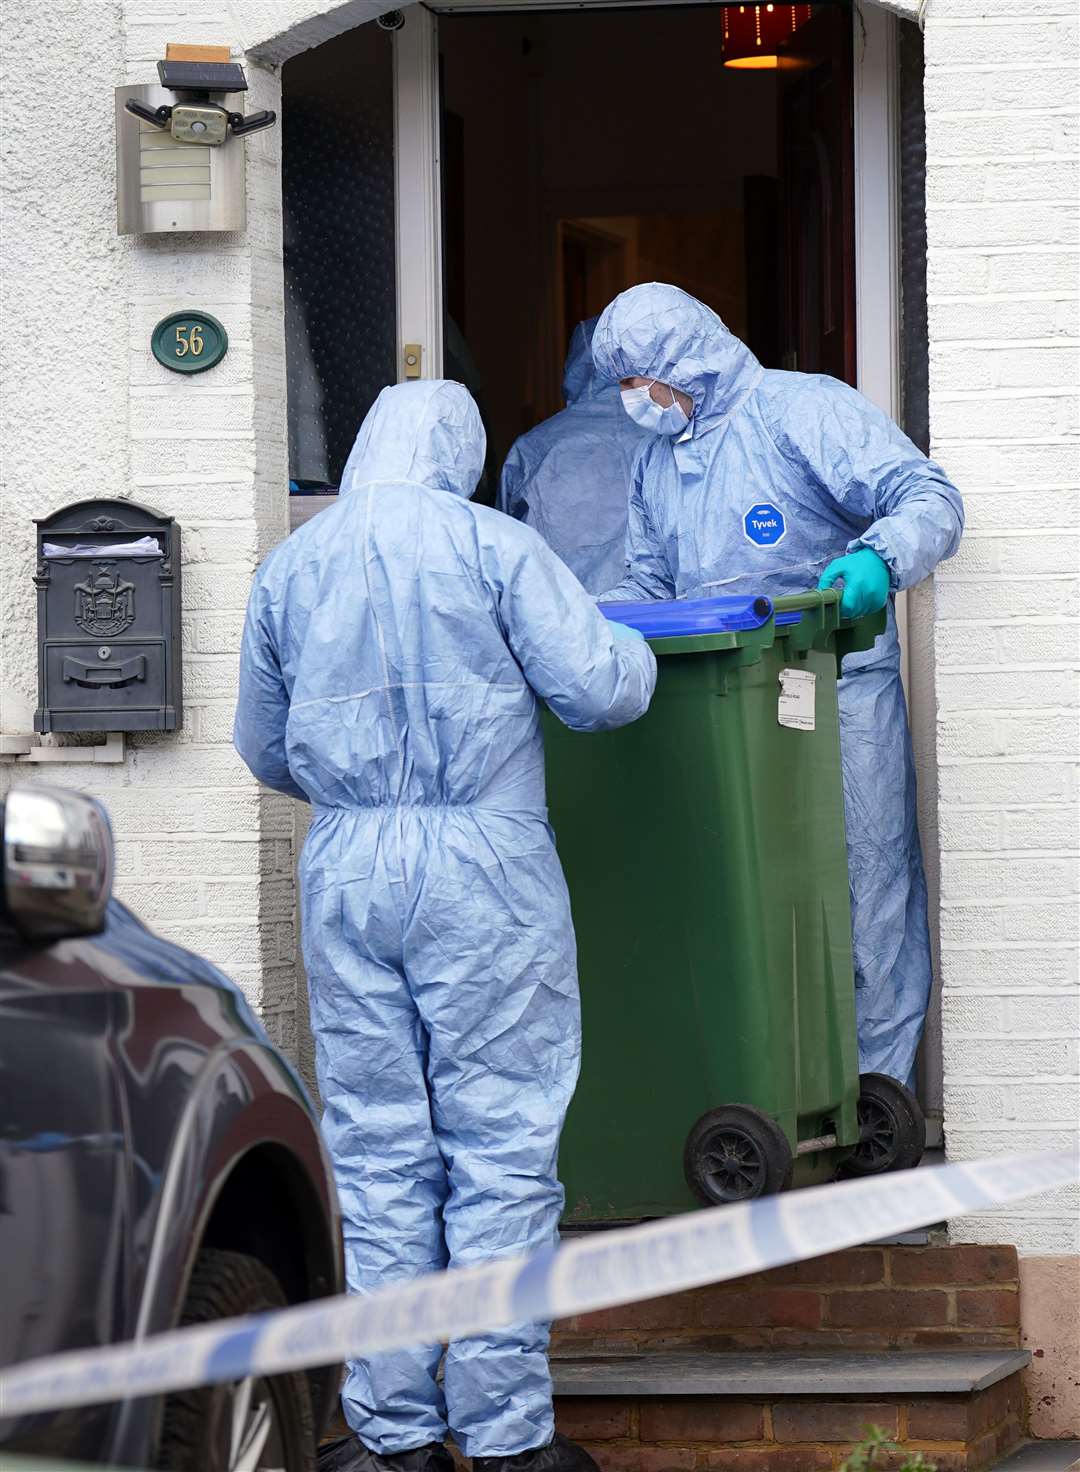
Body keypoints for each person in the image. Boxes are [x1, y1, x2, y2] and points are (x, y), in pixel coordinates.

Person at [234, 379, 656, 1472]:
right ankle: (508, 1433)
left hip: (349, 861)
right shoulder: (496, 548)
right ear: (460, 452)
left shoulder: (294, 562)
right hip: (483, 867)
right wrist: (634, 635)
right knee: (502, 1143)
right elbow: (601, 691)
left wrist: (364, 796)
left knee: (376, 1146)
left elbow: (263, 745)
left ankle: (391, 1431)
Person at [591, 282, 964, 1089]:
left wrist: (881, 559)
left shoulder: (802, 412)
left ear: (685, 361)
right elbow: (650, 583)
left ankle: (875, 1100)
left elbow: (930, 497)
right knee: (740, 893)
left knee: (862, 888)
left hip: (834, 692)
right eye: (620, 384)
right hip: (718, 709)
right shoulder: (658, 460)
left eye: (638, 380)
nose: (632, 401)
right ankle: (772, 1094)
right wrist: (589, 624)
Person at [497, 316, 648, 594]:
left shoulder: (534, 447)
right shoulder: (664, 436)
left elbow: (502, 545)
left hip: (558, 621)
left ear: (574, 363)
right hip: (659, 616)